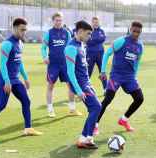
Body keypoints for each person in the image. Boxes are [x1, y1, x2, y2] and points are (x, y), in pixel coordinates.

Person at [0, 18, 42, 138]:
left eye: (25, 30)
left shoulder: (21, 43)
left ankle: (28, 128)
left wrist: (26, 77)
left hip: (15, 79)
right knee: (1, 104)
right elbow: (2, 64)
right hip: (5, 78)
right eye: (21, 30)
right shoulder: (7, 44)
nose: (24, 32)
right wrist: (7, 81)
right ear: (14, 29)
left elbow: (19, 62)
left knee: (26, 101)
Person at [94, 21, 144, 135]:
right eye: (134, 31)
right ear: (130, 29)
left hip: (130, 77)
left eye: (138, 32)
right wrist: (102, 71)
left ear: (141, 32)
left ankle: (124, 120)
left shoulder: (140, 45)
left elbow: (137, 62)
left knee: (139, 98)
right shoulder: (121, 41)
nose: (136, 33)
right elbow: (107, 54)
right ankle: (95, 124)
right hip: (116, 76)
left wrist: (134, 75)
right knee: (107, 100)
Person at [65, 20, 101, 149]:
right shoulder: (71, 48)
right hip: (80, 84)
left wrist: (89, 83)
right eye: (88, 34)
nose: (90, 37)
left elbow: (82, 68)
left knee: (95, 108)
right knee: (97, 107)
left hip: (86, 83)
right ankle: (85, 138)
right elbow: (70, 72)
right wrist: (79, 90)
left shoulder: (81, 44)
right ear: (79, 32)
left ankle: (85, 138)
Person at [41, 12, 82, 117]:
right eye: (56, 20)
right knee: (50, 86)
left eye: (60, 20)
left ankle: (72, 109)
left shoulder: (67, 33)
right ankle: (50, 110)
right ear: (53, 21)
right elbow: (43, 47)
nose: (59, 22)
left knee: (71, 85)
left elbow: (71, 47)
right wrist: (44, 56)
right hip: (53, 65)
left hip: (65, 64)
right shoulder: (49, 33)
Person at [86, 17, 107, 92]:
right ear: (91, 23)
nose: (95, 23)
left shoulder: (101, 31)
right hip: (90, 54)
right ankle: (85, 88)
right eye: (94, 22)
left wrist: (93, 39)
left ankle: (105, 89)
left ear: (99, 22)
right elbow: (88, 41)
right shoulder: (88, 31)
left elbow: (103, 38)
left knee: (102, 71)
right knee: (88, 72)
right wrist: (97, 39)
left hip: (100, 54)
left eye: (97, 22)